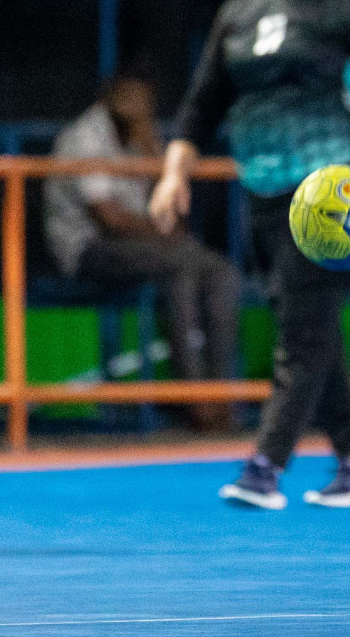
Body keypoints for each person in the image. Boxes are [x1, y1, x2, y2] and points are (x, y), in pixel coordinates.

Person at [151, 0, 350, 509]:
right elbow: (203, 102)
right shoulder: (238, 11)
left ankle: (265, 467)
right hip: (262, 187)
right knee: (306, 322)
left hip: (333, 190)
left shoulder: (346, 2)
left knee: (300, 327)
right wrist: (173, 173)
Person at [44, 70, 243, 430]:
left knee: (220, 271)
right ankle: (195, 401)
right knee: (182, 265)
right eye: (131, 100)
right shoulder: (85, 137)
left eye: (145, 102)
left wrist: (151, 145)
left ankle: (220, 394)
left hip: (146, 248)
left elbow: (165, 207)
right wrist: (165, 232)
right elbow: (111, 221)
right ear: (111, 99)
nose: (140, 109)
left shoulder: (141, 135)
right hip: (87, 249)